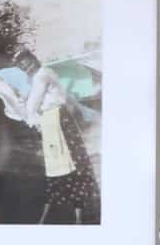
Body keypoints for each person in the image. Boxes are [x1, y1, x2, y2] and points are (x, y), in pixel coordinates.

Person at [13, 46, 100, 224]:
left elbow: (32, 106)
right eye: (23, 67)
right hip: (56, 119)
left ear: (33, 59)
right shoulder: (43, 75)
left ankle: (72, 214)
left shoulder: (41, 76)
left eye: (28, 63)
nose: (27, 68)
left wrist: (26, 113)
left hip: (56, 120)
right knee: (65, 162)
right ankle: (75, 214)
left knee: (66, 161)